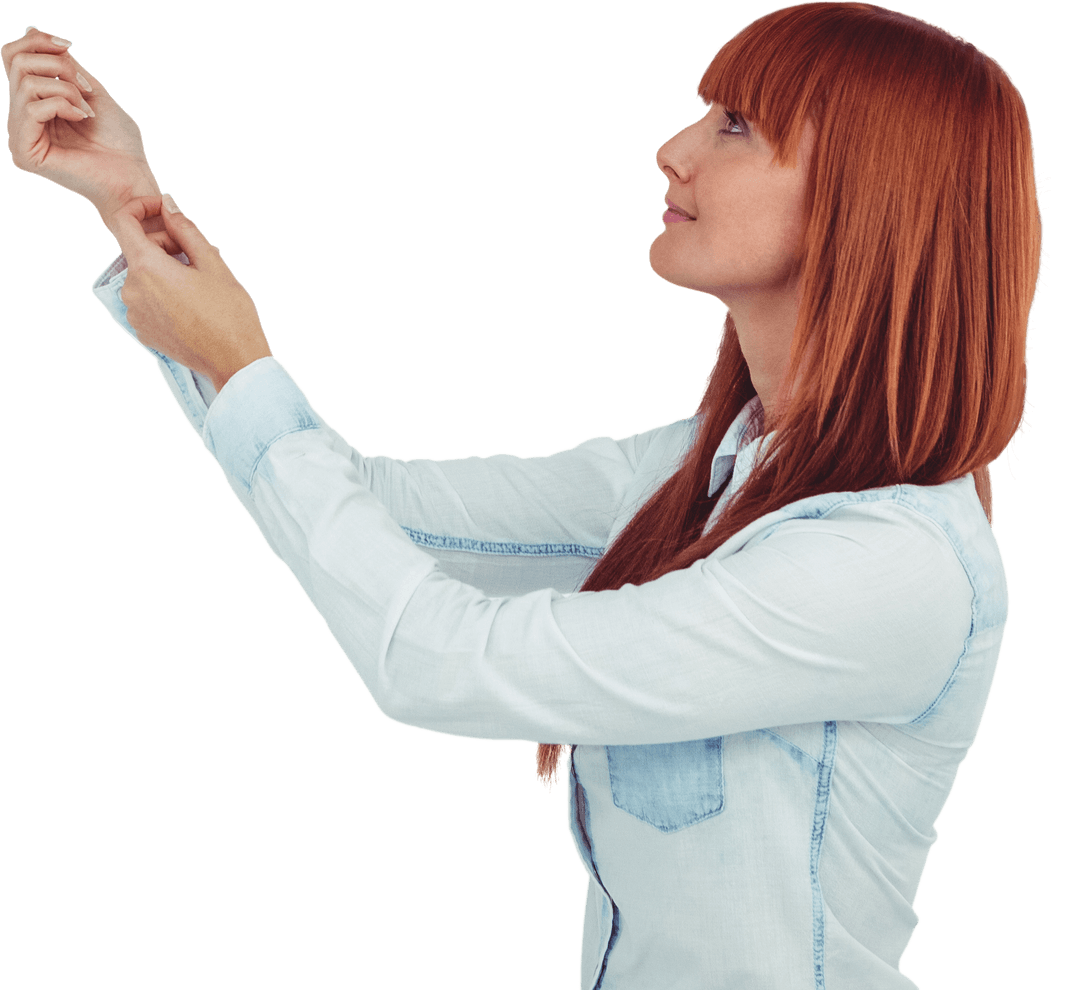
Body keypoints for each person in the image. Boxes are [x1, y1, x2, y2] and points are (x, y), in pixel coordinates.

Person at [2, 4, 1042, 987]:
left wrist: (244, 363)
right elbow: (371, 511)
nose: (673, 149)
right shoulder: (704, 472)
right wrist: (135, 210)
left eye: (736, 126)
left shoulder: (887, 567)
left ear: (872, 196)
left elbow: (435, 660)